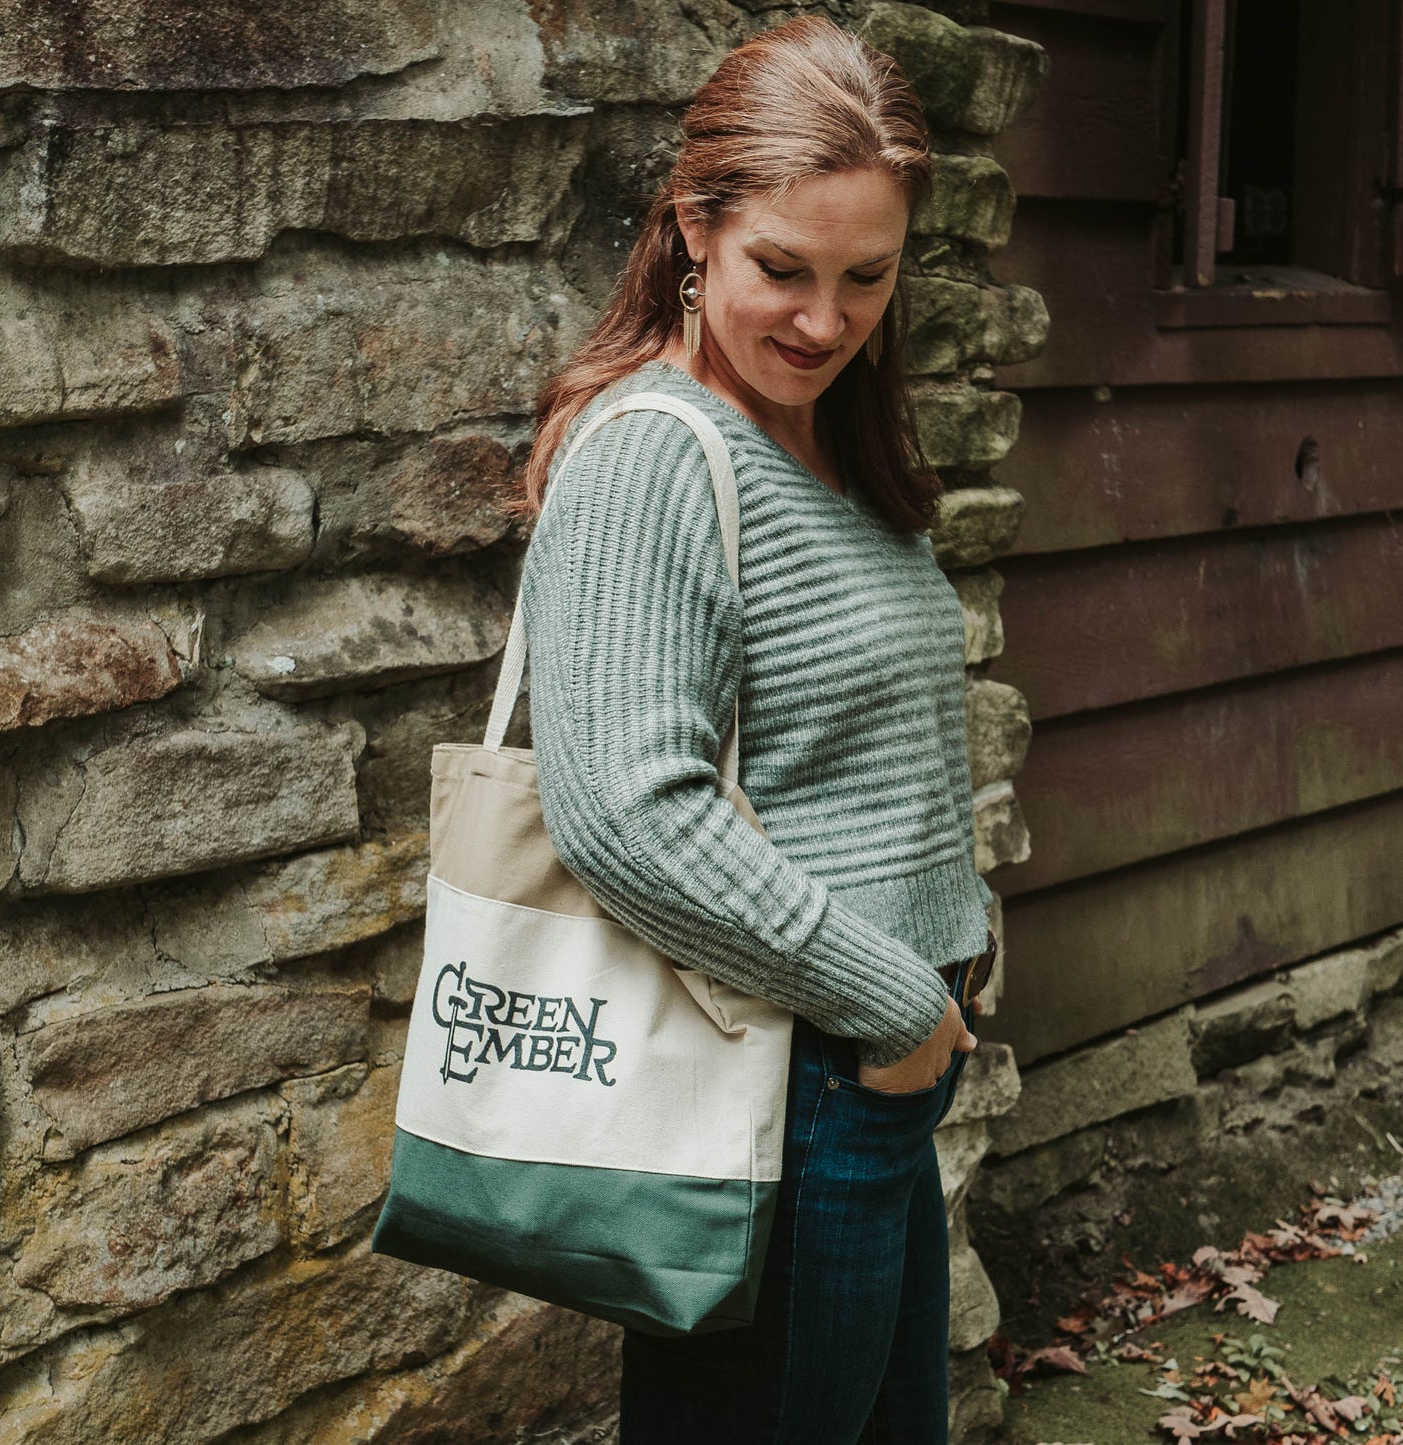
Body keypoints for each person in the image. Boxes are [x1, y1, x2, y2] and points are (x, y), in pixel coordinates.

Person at [514, 15, 996, 1443]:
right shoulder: (655, 453)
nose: (823, 320)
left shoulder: (819, 441)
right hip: (782, 1079)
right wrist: (901, 1002)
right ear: (691, 229)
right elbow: (627, 811)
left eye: (868, 276)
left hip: (865, 1074)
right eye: (781, 269)